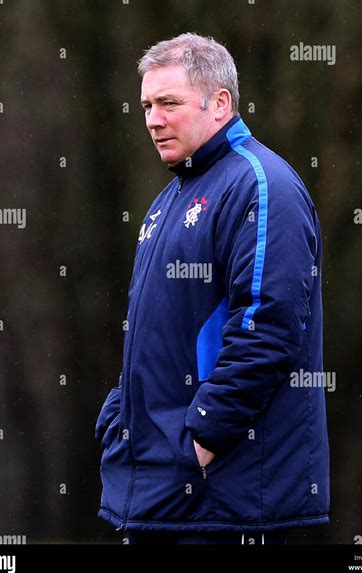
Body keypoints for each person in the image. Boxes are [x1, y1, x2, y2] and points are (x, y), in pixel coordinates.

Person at [95, 33, 330, 545]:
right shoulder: (171, 196)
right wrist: (118, 417)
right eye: (147, 106)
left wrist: (200, 438)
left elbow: (267, 328)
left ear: (220, 103)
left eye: (169, 103)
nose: (153, 119)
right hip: (160, 497)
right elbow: (156, 336)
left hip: (224, 503)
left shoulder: (261, 185)